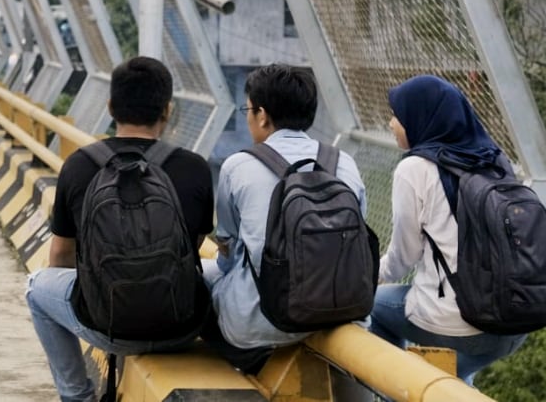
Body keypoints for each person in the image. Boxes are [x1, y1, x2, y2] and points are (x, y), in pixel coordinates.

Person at [25, 57, 214, 402]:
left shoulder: (80, 165)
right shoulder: (194, 168)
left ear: (110, 107)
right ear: (168, 110)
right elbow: (194, 245)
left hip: (105, 325)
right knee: (220, 271)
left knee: (36, 289)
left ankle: (76, 396)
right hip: (182, 324)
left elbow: (61, 255)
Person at [206, 63, 367, 372]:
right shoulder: (343, 163)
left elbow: (229, 245)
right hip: (340, 311)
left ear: (262, 115)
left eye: (248, 109)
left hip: (263, 322)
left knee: (207, 278)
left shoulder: (238, 165)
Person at [369, 75, 528, 385]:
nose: (391, 123)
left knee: (372, 306)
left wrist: (373, 273)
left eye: (398, 115)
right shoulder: (495, 160)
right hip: (514, 323)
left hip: (463, 322)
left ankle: (396, 391)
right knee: (450, 374)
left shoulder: (414, 168)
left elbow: (403, 257)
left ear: (420, 119)